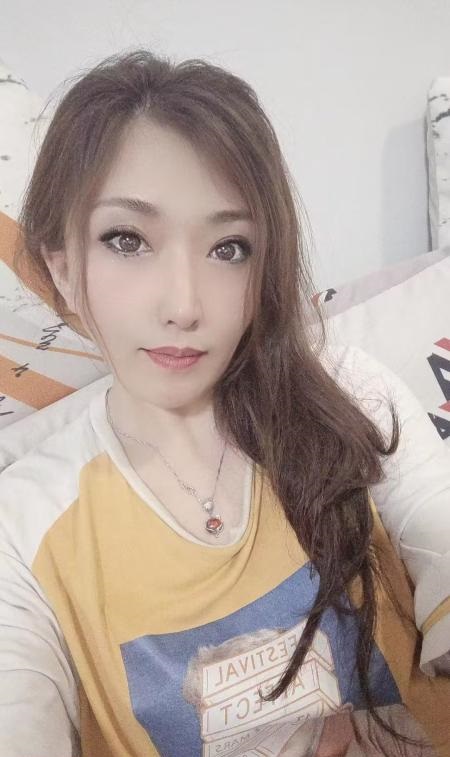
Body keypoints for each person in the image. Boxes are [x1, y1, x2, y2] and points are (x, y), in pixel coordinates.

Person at [0, 49, 448, 757]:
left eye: (229, 247)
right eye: (127, 240)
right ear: (63, 266)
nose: (184, 306)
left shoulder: (343, 388)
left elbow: (436, 525)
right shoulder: (25, 525)